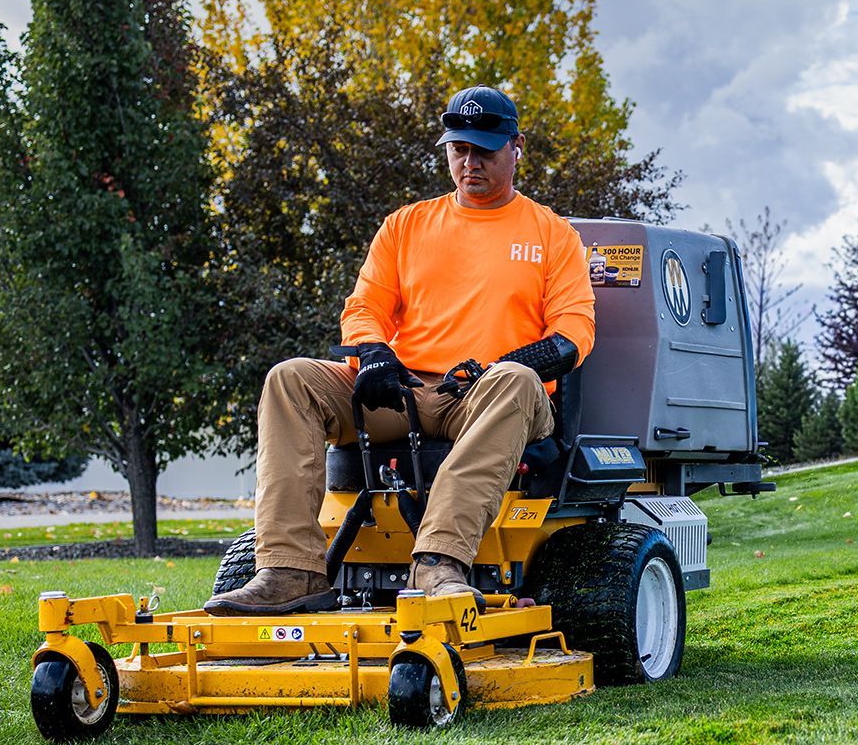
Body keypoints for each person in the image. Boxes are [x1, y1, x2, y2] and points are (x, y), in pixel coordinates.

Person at [207, 86, 595, 615]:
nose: (469, 162)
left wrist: (509, 363)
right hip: (406, 393)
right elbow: (363, 306)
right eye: (459, 149)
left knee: (518, 382)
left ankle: (438, 564)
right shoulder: (406, 226)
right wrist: (374, 354)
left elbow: (575, 333)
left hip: (493, 398)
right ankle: (290, 570)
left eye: (484, 150)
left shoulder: (553, 234)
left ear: (516, 147)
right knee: (289, 379)